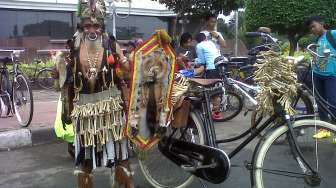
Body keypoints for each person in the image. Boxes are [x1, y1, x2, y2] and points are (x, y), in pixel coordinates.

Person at [54, 1, 135, 187]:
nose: (92, 30)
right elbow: (65, 82)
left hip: (111, 108)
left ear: (102, 27)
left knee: (121, 154)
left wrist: (127, 64)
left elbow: (127, 73)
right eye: (87, 26)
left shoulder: (111, 44)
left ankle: (127, 184)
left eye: (96, 26)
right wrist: (59, 69)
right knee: (85, 159)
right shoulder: (74, 46)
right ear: (81, 27)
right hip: (84, 110)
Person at [305, 16, 336, 139]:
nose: (312, 29)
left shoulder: (332, 34)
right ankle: (325, 129)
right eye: (310, 28)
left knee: (333, 102)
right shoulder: (318, 39)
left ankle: (334, 129)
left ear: (321, 23)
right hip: (318, 74)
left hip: (332, 75)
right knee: (320, 102)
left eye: (314, 26)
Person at [194, 32, 223, 119]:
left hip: (211, 69)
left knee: (212, 92)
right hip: (219, 67)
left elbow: (202, 61)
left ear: (197, 41)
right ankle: (217, 113)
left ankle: (215, 113)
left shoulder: (199, 46)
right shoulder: (211, 43)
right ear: (205, 38)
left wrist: (195, 62)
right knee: (216, 91)